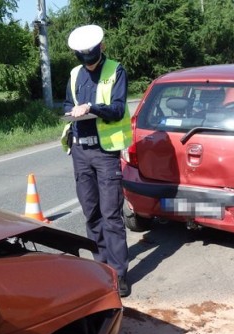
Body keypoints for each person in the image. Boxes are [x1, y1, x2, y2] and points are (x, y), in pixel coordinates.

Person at [62, 24, 133, 296]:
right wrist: (72, 111)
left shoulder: (116, 70)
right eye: (84, 60)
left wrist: (92, 108)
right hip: (80, 151)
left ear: (101, 48)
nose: (89, 65)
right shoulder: (74, 74)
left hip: (105, 153)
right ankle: (100, 268)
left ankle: (118, 274)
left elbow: (116, 109)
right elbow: (67, 104)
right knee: (91, 212)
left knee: (111, 214)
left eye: (91, 59)